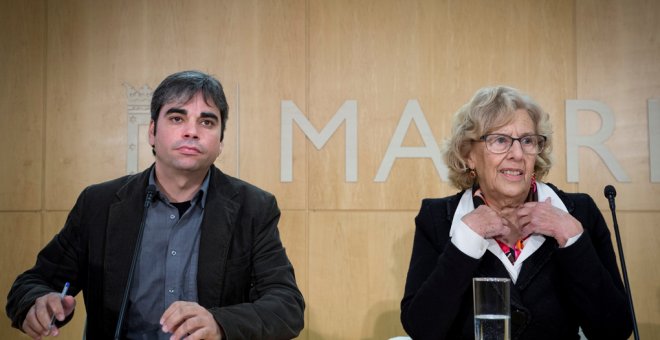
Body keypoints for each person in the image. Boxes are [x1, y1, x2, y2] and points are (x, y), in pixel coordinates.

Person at [6, 70, 305, 339]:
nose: (192, 131)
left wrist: (220, 323)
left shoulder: (253, 208)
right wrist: (37, 303)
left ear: (220, 141)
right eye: (177, 118)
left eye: (207, 121)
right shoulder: (99, 204)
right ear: (151, 131)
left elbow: (286, 306)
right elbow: (33, 283)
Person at [400, 86, 633, 339]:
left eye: (527, 141)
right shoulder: (438, 218)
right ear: (469, 155)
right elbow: (422, 329)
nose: (518, 154)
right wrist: (465, 242)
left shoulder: (579, 213)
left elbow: (615, 330)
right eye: (500, 140)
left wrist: (573, 239)